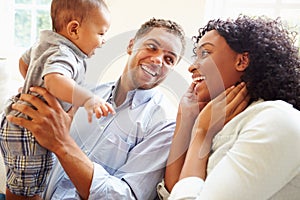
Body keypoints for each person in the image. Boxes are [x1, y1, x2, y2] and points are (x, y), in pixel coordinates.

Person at [4, 18, 187, 199]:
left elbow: (126, 197)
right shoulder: (84, 93)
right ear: (131, 45)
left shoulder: (164, 124)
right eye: (152, 47)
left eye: (169, 59)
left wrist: (62, 142)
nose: (158, 60)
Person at [157, 15, 300, 199]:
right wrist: (185, 119)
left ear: (241, 61)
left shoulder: (275, 119)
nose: (192, 67)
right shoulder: (219, 124)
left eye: (205, 53)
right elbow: (174, 190)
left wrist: (201, 135)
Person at [0, 0, 114, 199]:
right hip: (29, 130)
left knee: (20, 182)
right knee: (29, 190)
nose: (104, 41)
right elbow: (54, 80)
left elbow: (23, 62)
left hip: (19, 125)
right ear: (74, 29)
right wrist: (88, 99)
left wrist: (32, 85)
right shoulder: (65, 53)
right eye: (101, 33)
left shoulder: (47, 43)